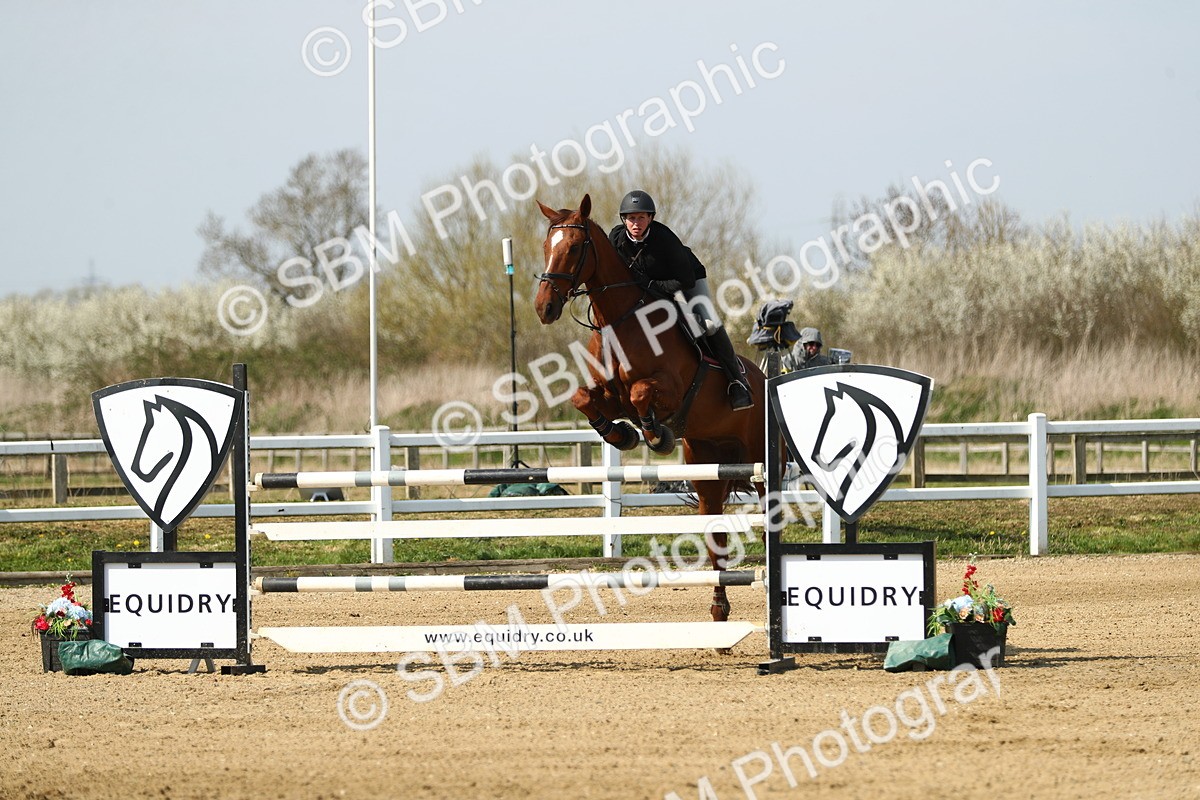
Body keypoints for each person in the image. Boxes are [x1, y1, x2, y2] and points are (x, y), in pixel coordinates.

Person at [608, 190, 753, 410]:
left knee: (708, 323)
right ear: (623, 220)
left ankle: (737, 382)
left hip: (687, 279)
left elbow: (684, 279)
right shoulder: (617, 239)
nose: (635, 223)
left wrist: (654, 287)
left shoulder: (665, 239)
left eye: (641, 217)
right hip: (650, 287)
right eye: (631, 218)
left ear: (650, 218)